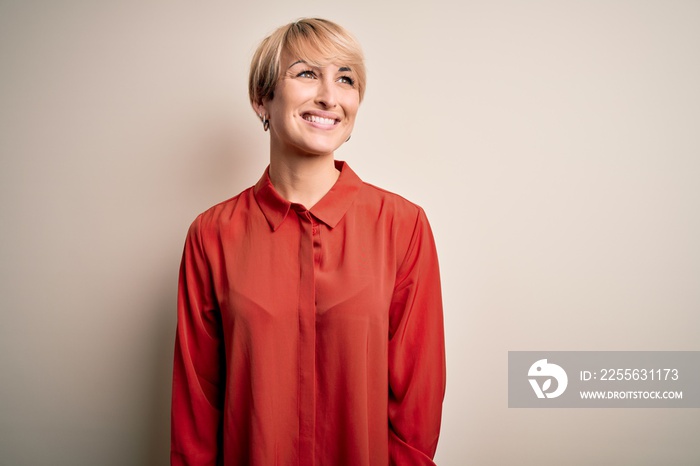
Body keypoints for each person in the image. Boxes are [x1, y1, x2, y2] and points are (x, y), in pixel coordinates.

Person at [171, 18, 446, 466]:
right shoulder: (211, 235)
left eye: (345, 79)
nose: (330, 96)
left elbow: (417, 404)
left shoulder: (403, 226)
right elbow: (195, 410)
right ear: (262, 100)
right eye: (306, 74)